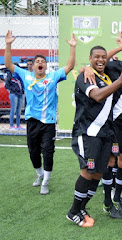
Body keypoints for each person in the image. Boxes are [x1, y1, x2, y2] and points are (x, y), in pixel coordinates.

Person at [67, 46, 122, 227]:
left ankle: (82, 208)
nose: (101, 60)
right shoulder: (85, 76)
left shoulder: (106, 76)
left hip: (104, 134)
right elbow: (96, 96)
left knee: (97, 173)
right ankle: (73, 211)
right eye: (96, 57)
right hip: (88, 134)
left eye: (104, 57)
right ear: (89, 58)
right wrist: (120, 80)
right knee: (87, 173)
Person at [4, 30, 77, 195]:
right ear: (33, 65)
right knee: (33, 151)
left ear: (45, 65)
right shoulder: (26, 75)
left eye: (42, 61)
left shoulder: (52, 77)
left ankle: (46, 181)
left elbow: (70, 66)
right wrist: (8, 44)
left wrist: (72, 47)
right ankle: (39, 175)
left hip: (49, 122)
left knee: (48, 152)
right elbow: (9, 64)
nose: (40, 63)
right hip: (32, 121)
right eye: (37, 61)